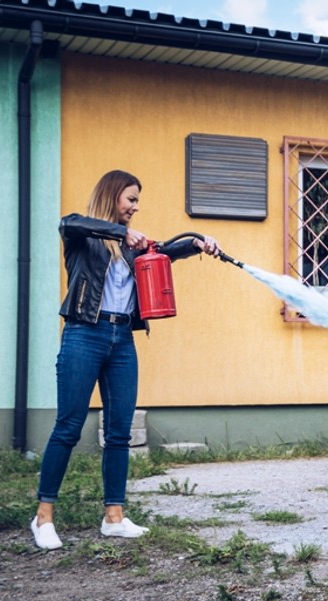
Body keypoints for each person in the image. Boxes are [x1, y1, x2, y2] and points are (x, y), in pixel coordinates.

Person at [30, 169, 221, 550]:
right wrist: (119, 232)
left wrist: (197, 243)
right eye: (130, 199)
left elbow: (163, 250)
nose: (135, 207)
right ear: (113, 195)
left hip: (122, 340)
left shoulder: (134, 245)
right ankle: (43, 517)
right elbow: (69, 221)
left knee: (120, 432)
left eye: (136, 202)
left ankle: (114, 517)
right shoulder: (82, 236)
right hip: (85, 333)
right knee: (68, 427)